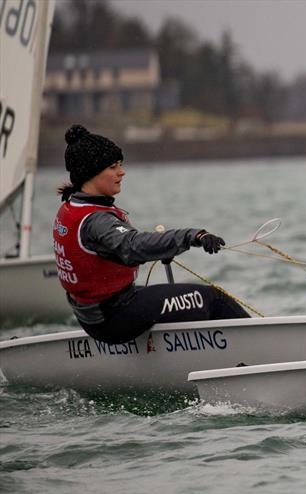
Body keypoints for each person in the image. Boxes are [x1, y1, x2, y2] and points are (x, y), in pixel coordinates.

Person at [54, 124, 249, 344]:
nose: (122, 172)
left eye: (121, 165)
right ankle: (258, 351)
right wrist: (193, 236)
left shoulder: (71, 207)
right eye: (113, 167)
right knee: (214, 299)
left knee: (175, 298)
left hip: (93, 316)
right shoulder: (96, 220)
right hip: (114, 318)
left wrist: (162, 248)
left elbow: (109, 251)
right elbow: (133, 246)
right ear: (90, 173)